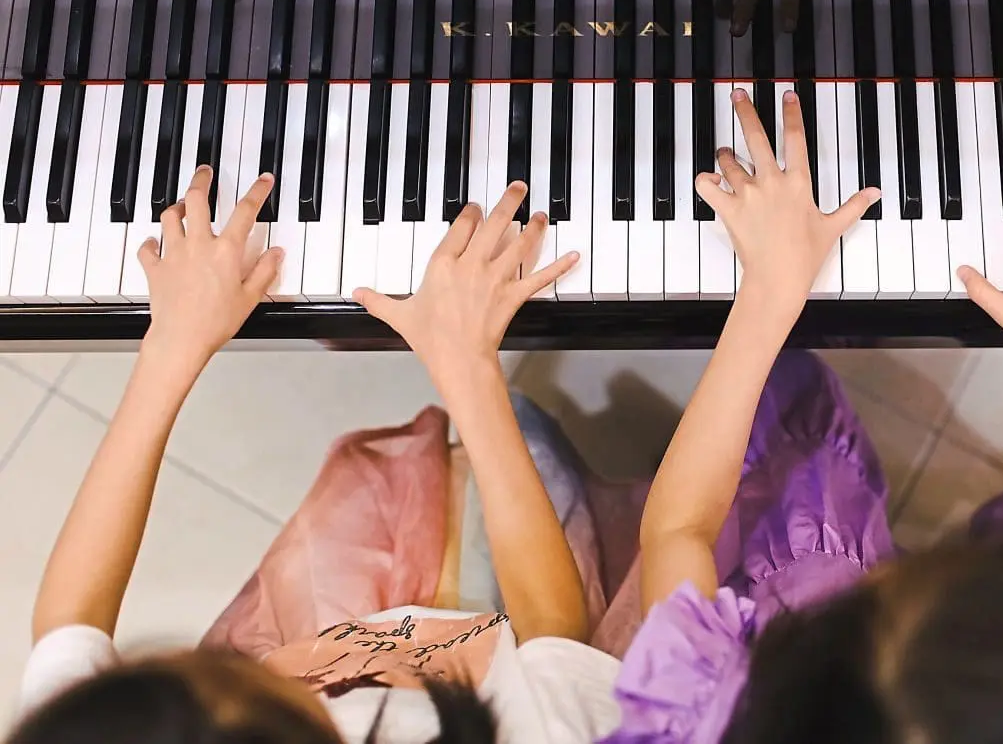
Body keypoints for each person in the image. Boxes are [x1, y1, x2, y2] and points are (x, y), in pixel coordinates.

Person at [600, 88, 1003, 743]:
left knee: (782, 430)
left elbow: (679, 528)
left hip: (803, 561)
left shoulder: (703, 714)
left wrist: (771, 291)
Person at [8, 168, 632, 744]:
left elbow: (69, 624)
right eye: (224, 675)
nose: (201, 655)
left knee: (374, 478)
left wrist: (171, 346)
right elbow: (555, 629)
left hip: (343, 644)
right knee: (531, 450)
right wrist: (469, 367)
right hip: (513, 662)